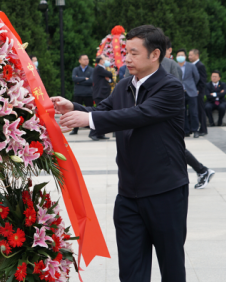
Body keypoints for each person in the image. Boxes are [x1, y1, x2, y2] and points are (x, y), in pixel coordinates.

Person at [53, 25, 188, 282]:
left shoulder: (170, 88)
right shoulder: (124, 85)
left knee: (172, 268)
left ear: (155, 54)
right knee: (130, 272)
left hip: (165, 193)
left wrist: (88, 118)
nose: (126, 59)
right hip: (128, 196)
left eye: (134, 53)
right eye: (126, 52)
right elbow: (105, 110)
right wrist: (74, 107)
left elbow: (138, 115)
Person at [163, 38, 214, 188]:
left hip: (169, 114)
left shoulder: (172, 66)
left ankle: (201, 170)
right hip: (163, 114)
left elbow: (175, 91)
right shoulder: (157, 64)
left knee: (174, 147)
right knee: (170, 148)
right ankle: (201, 171)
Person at [176, 49, 200, 138]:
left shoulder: (191, 66)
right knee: (182, 113)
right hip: (180, 92)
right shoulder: (175, 66)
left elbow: (197, 77)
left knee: (193, 112)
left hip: (191, 92)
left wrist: (192, 85)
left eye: (182, 55)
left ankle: (195, 130)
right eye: (178, 55)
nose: (180, 57)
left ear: (185, 57)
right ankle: (185, 130)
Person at [89, 55, 113, 141]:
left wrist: (109, 78)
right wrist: (109, 76)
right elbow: (110, 74)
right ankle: (93, 133)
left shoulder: (102, 69)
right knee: (99, 114)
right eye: (105, 59)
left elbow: (111, 79)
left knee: (103, 114)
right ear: (100, 61)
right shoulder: (99, 68)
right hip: (100, 94)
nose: (107, 60)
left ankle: (100, 133)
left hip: (103, 94)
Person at [70, 54, 94, 135]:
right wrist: (84, 78)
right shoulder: (76, 69)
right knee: (75, 110)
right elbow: (74, 78)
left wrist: (79, 81)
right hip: (78, 93)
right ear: (79, 60)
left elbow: (91, 81)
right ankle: (75, 129)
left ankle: (92, 129)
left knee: (90, 111)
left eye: (87, 59)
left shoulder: (91, 70)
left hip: (88, 93)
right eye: (84, 59)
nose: (86, 60)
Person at [189, 49, 208, 135]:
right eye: (189, 55)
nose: (189, 57)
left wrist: (198, 90)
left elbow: (203, 80)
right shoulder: (190, 65)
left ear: (197, 56)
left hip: (198, 92)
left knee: (200, 110)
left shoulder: (200, 66)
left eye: (191, 55)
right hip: (192, 92)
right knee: (193, 110)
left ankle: (203, 129)